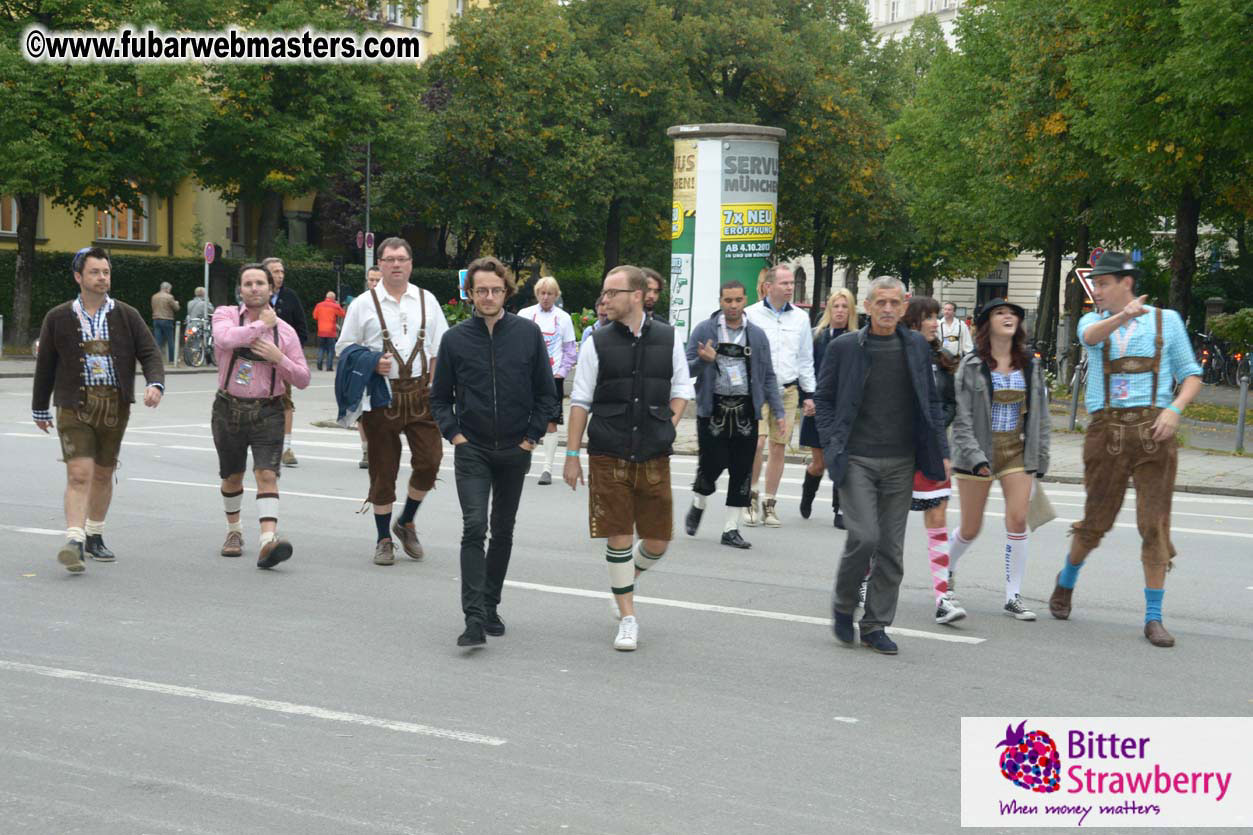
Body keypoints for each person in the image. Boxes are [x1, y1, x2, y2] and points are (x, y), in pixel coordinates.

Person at [1048, 252, 1202, 648]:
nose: (1096, 290)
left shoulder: (1166, 321)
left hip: (1155, 432)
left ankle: (1154, 618)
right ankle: (1067, 579)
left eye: (1102, 284)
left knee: (1154, 525)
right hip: (1106, 432)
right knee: (1095, 522)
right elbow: (1090, 339)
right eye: (1095, 284)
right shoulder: (1092, 320)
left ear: (1126, 283)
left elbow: (1191, 376)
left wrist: (1174, 409)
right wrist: (1123, 316)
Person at [814, 276, 950, 656]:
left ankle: (875, 625)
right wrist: (831, 443)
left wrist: (941, 451)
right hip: (856, 458)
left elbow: (931, 403)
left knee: (891, 549)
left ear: (904, 307)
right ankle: (844, 605)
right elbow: (823, 399)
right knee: (865, 537)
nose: (888, 309)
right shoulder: (845, 347)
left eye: (894, 303)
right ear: (868, 306)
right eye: (880, 303)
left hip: (901, 460)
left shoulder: (916, 347)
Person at [563, 265, 694, 651]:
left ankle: (625, 580)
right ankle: (628, 616)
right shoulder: (596, 342)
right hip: (608, 450)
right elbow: (580, 400)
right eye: (604, 293)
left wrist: (665, 424)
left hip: (654, 451)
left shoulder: (669, 338)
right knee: (619, 533)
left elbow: (682, 386)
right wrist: (571, 455)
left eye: (612, 292)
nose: (605, 300)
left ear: (636, 295)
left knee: (657, 541)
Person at [431, 257, 557, 647]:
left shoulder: (527, 333)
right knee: (474, 527)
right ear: (469, 293)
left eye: (496, 290)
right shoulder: (454, 339)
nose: (488, 296)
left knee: (503, 530)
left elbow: (547, 394)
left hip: (515, 449)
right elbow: (439, 399)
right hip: (473, 449)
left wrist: (531, 438)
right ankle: (472, 618)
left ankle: (490, 605)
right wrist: (455, 436)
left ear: (507, 291)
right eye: (481, 290)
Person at [32, 247, 165, 572]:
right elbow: (46, 365)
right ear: (79, 277)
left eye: (106, 272)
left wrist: (155, 384)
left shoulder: (127, 314)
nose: (102, 278)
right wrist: (39, 408)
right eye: (95, 272)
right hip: (73, 404)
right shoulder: (58, 317)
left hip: (114, 405)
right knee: (79, 473)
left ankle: (94, 534)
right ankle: (74, 541)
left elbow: (150, 353)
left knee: (104, 472)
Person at [335, 238, 449, 566]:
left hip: (420, 394)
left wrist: (435, 384)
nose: (396, 264)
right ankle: (383, 538)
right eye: (389, 259)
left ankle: (407, 520)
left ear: (411, 263)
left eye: (402, 259)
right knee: (383, 471)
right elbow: (344, 348)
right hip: (381, 396)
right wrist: (372, 361)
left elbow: (441, 348)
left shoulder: (427, 301)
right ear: (380, 264)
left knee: (430, 462)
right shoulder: (363, 304)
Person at [947, 299, 1050, 621]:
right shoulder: (972, 364)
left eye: (1013, 314)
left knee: (1018, 519)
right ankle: (945, 571)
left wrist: (1041, 456)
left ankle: (1013, 596)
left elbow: (1042, 416)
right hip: (976, 450)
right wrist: (976, 457)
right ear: (986, 322)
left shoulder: (1030, 365)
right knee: (970, 528)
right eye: (999, 313)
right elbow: (961, 418)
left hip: (1016, 449)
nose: (1008, 317)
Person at [211, 264, 311, 568]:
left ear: (271, 289)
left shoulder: (287, 332)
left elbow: (304, 378)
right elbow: (226, 340)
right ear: (240, 290)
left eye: (260, 283)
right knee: (232, 476)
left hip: (269, 410)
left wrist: (279, 359)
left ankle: (268, 541)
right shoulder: (225, 315)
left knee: (267, 474)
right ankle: (234, 530)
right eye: (248, 283)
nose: (254, 288)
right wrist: (260, 326)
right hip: (228, 408)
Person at [684, 281, 784, 549]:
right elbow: (685, 369)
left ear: (745, 300)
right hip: (712, 409)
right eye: (727, 300)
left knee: (742, 470)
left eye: (738, 300)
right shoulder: (704, 330)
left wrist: (779, 411)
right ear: (720, 301)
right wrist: (702, 361)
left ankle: (731, 529)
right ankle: (699, 501)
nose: (733, 306)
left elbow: (769, 375)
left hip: (746, 411)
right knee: (711, 464)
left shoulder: (757, 335)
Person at [902, 296, 965, 624]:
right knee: (885, 522)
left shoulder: (942, 359)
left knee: (938, 515)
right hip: (898, 448)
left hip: (933, 446)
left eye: (936, 317)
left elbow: (949, 402)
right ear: (911, 320)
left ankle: (942, 596)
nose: (933, 322)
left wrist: (935, 427)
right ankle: (866, 582)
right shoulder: (896, 352)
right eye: (927, 317)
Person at [744, 264, 816, 527]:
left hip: (788, 390)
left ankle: (769, 503)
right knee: (757, 443)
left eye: (791, 284)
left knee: (778, 446)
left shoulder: (800, 318)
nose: (789, 288)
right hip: (757, 390)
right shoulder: (750, 315)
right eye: (784, 283)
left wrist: (809, 394)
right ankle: (750, 497)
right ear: (768, 286)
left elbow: (805, 358)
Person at [798, 287, 855, 528]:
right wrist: (807, 397)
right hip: (818, 407)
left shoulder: (858, 338)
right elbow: (804, 368)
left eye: (844, 306)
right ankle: (807, 494)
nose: (840, 311)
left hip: (846, 410)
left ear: (851, 310)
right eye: (836, 306)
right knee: (820, 464)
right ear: (828, 309)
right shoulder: (816, 336)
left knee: (842, 461)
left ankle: (840, 509)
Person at [518, 276, 576, 486]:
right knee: (524, 419)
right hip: (527, 378)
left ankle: (547, 469)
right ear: (537, 294)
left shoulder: (563, 318)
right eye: (542, 293)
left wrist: (562, 371)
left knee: (551, 422)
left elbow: (570, 350)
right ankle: (525, 456)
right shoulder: (525, 315)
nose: (546, 297)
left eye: (550, 294)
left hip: (552, 378)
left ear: (556, 295)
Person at [261, 257, 308, 467]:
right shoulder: (255, 297)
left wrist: (291, 354)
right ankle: (258, 443)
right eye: (275, 272)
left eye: (281, 271)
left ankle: (286, 447)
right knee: (254, 401)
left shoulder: (290, 297)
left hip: (282, 361)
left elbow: (302, 328)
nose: (279, 275)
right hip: (256, 361)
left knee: (285, 402)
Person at [348, 267, 383, 469]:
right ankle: (366, 450)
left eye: (378, 279)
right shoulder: (359, 304)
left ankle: (381, 448)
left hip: (386, 366)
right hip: (364, 364)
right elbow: (349, 340)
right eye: (371, 280)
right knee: (363, 411)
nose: (375, 283)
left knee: (383, 410)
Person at [312, 291, 346, 372]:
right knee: (330, 350)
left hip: (321, 331)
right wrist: (338, 305)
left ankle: (319, 365)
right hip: (331, 332)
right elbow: (343, 314)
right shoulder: (335, 306)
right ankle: (329, 367)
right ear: (333, 298)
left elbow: (315, 316)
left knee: (321, 348)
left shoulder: (319, 305)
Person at [150, 281, 179, 363]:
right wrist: (177, 303)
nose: (170, 290)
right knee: (170, 340)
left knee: (157, 341)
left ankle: (156, 359)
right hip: (167, 319)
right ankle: (172, 359)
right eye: (170, 289)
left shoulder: (154, 296)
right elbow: (176, 308)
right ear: (167, 288)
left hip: (156, 319)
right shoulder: (169, 297)